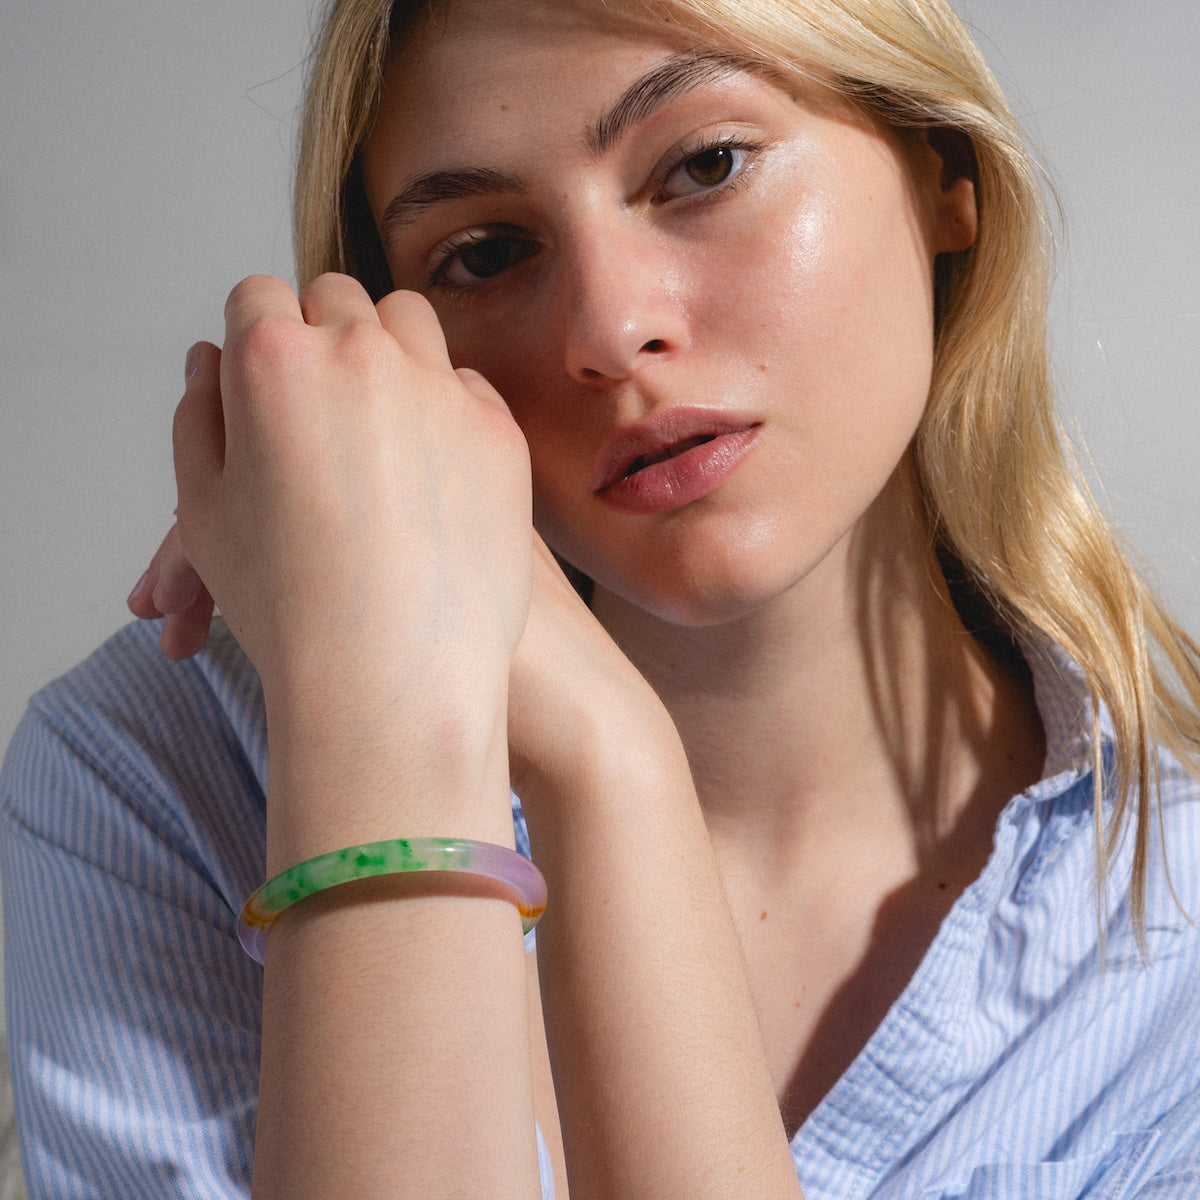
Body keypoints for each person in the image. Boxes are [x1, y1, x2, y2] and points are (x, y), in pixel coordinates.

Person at [4, 0, 1200, 1195]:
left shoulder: (1175, 929)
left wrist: (609, 764)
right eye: (486, 252)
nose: (612, 330)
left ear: (945, 168)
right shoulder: (153, 776)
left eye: (706, 166)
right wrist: (410, 744)